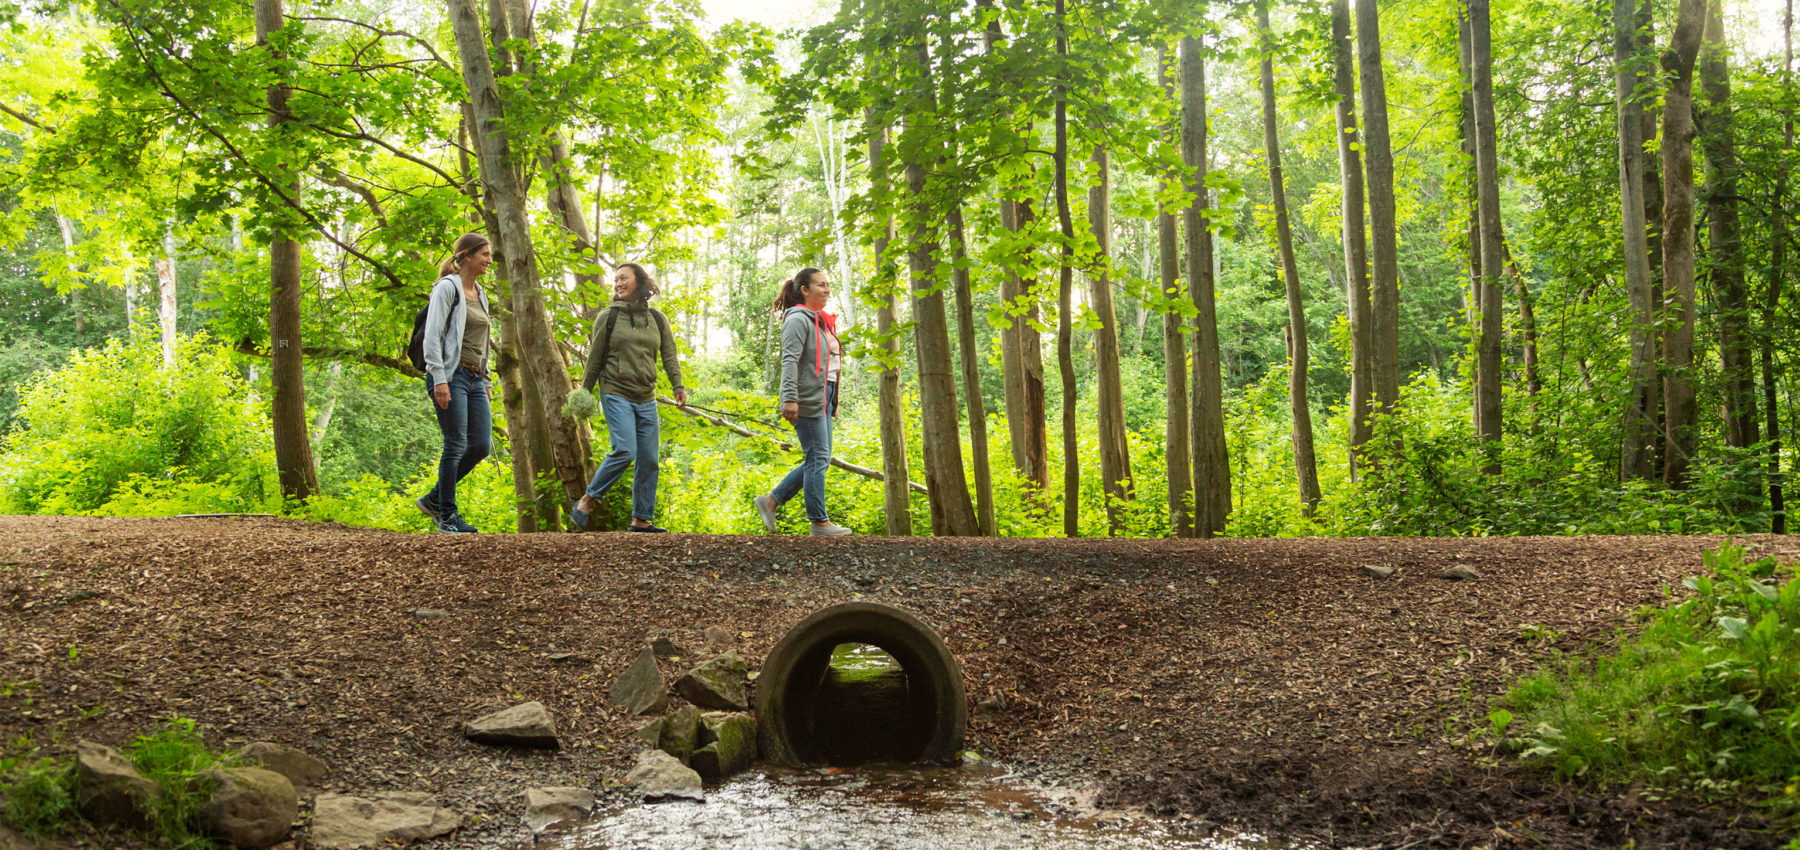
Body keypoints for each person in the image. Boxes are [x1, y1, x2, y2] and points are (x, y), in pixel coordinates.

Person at [570, 263, 687, 532]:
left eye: (623, 278)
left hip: (646, 396)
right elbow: (594, 359)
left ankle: (641, 519)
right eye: (615, 280)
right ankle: (587, 500)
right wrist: (584, 393)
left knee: (649, 459)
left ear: (640, 282)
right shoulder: (608, 317)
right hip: (615, 392)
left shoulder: (657, 319)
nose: (617, 284)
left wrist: (678, 385)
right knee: (625, 450)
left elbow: (669, 355)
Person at [753, 267, 852, 536]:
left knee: (820, 457)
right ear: (805, 290)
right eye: (820, 285)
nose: (827, 290)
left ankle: (771, 501)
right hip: (807, 398)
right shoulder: (797, 319)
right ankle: (819, 522)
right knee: (818, 456)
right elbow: (790, 361)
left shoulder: (820, 320)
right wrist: (789, 399)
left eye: (828, 285)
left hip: (825, 396)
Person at [416, 232, 494, 533]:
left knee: (481, 445)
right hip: (451, 374)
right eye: (485, 254)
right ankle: (446, 515)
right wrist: (439, 378)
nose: (489, 261)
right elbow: (433, 336)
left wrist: (487, 379)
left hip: (476, 377)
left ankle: (435, 499)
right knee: (456, 443)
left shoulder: (481, 293)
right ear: (466, 256)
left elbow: (482, 340)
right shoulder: (447, 289)